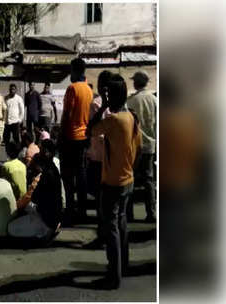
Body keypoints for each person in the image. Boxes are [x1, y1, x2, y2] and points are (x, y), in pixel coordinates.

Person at [87, 74, 142, 289]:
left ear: (114, 96)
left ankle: (114, 275)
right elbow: (138, 149)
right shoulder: (132, 117)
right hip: (128, 179)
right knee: (121, 224)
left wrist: (102, 108)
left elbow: (90, 130)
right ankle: (123, 267)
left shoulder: (113, 120)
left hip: (112, 181)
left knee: (111, 229)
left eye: (108, 94)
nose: (106, 97)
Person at [59, 58, 93, 222]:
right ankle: (82, 210)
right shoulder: (88, 89)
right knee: (81, 175)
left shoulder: (72, 88)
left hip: (71, 137)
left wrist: (60, 136)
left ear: (75, 70)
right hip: (84, 138)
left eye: (71, 70)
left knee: (68, 175)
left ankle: (70, 210)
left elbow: (67, 114)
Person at [85, 70, 112, 249]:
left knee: (100, 199)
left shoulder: (96, 104)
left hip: (97, 157)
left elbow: (91, 130)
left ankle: (103, 235)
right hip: (112, 158)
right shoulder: (120, 105)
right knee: (110, 200)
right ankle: (109, 234)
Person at [127, 71, 156, 222]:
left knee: (130, 179)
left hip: (134, 146)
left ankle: (129, 214)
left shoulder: (131, 101)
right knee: (148, 180)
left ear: (136, 82)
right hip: (150, 146)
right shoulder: (154, 100)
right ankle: (151, 213)